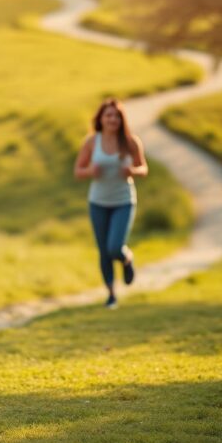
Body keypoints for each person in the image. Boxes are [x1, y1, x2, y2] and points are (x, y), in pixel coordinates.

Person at [74, 98, 148, 309]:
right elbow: (78, 171)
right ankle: (111, 294)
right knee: (103, 250)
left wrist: (133, 171)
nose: (112, 119)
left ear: (121, 120)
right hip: (98, 202)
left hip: (123, 201)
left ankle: (126, 258)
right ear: (101, 119)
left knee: (114, 247)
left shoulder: (130, 142)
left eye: (116, 116)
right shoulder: (91, 142)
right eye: (108, 115)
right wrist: (90, 172)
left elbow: (143, 168)